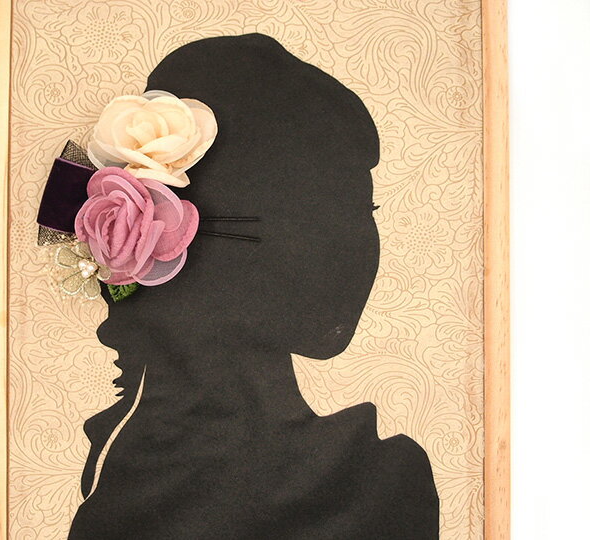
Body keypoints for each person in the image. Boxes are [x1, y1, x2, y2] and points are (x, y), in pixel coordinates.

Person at [68, 33, 438, 539]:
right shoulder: (375, 484)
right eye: (332, 211)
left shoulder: (128, 461)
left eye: (365, 210)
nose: (361, 243)